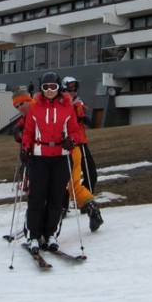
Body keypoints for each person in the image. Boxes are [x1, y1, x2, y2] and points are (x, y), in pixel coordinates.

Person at [20, 72, 81, 253]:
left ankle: (51, 233)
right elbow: (28, 131)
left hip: (61, 156)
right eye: (45, 87)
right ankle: (33, 235)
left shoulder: (68, 107)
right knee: (37, 197)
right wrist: (25, 148)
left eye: (52, 87)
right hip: (40, 156)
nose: (49, 91)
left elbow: (75, 131)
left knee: (57, 198)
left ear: (58, 89)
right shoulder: (35, 108)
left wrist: (72, 141)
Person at [61, 76, 103, 231]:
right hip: (65, 146)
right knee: (67, 178)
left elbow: (89, 120)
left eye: (73, 89)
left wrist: (81, 114)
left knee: (90, 174)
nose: (71, 92)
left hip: (80, 144)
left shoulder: (78, 103)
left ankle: (86, 202)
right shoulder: (60, 104)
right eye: (68, 89)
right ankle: (63, 207)